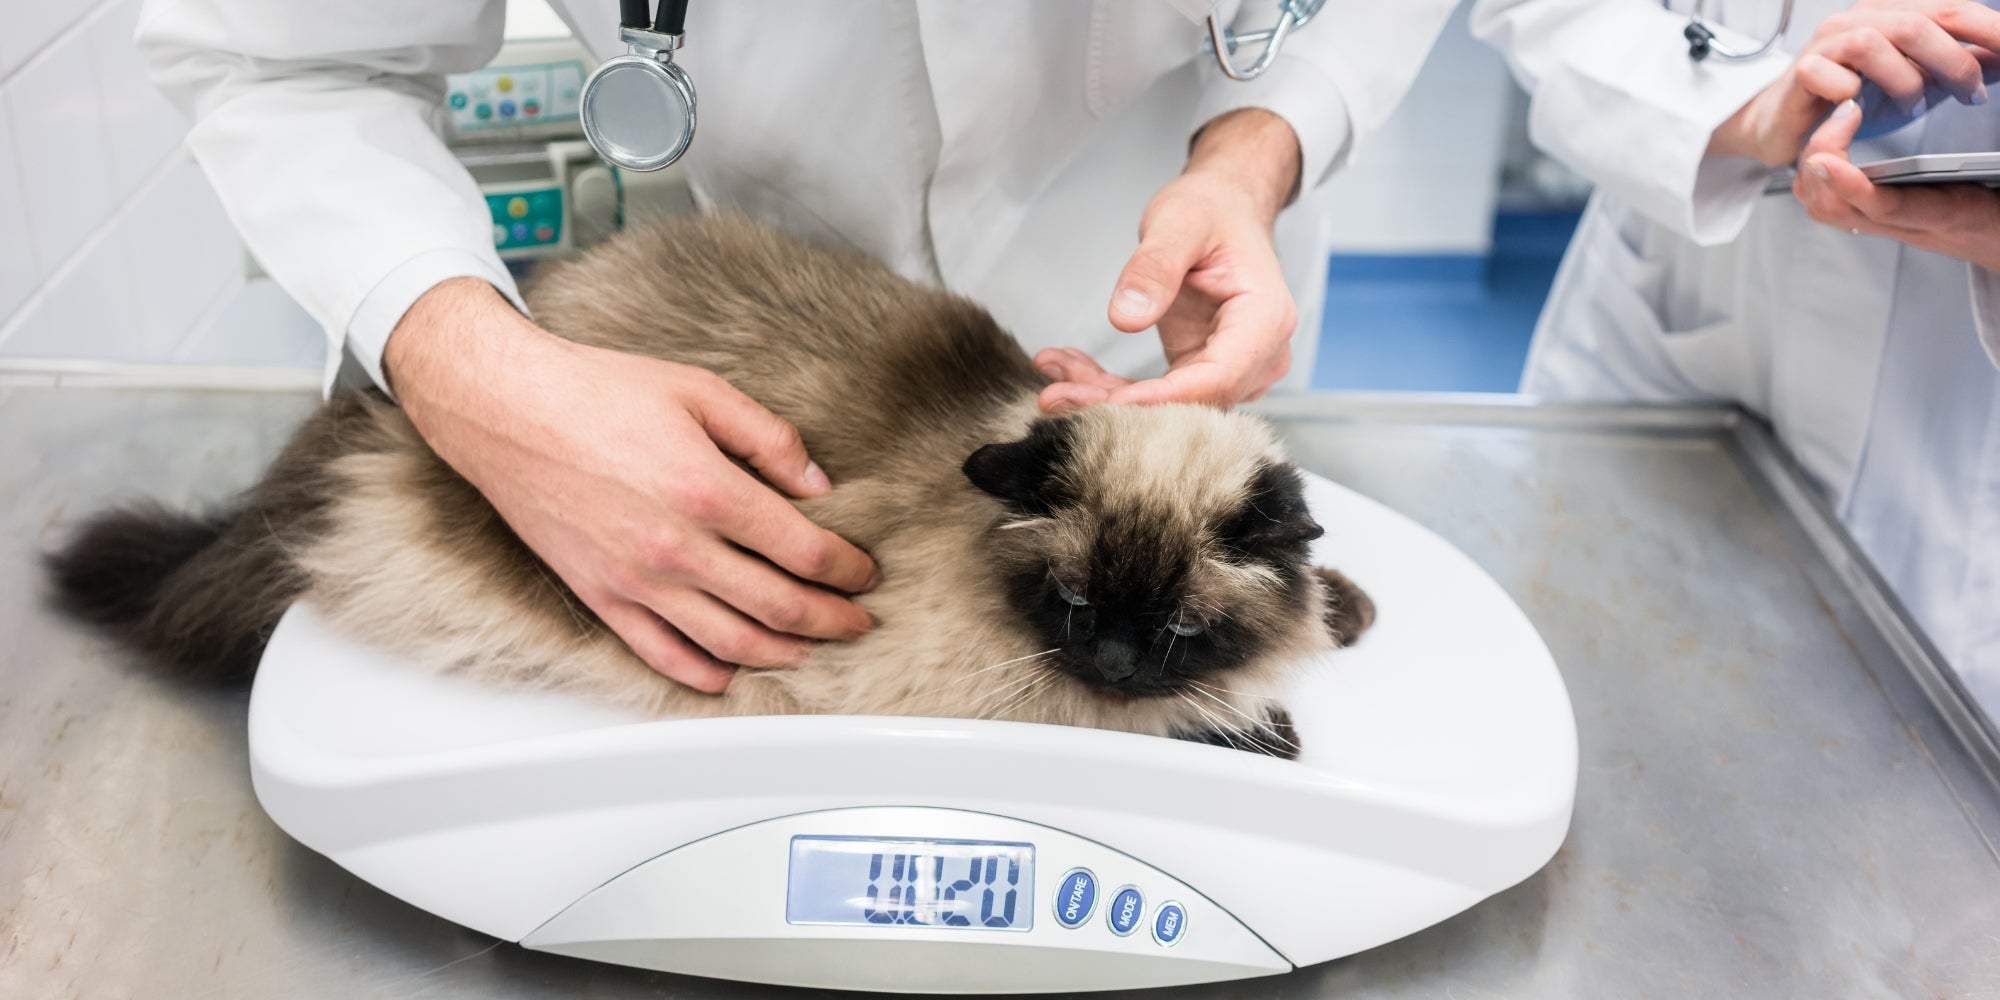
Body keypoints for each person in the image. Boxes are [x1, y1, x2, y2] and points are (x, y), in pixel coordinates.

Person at [136, 1, 1456, 691]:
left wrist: (1258, 144)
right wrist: (471, 372)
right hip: (786, 364)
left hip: (1178, 328)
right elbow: (287, 60)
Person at [1472, 0, 2000, 711]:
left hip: (1959, 464)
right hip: (1671, 330)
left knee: (1921, 778)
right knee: (1576, 705)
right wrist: (1751, 113)